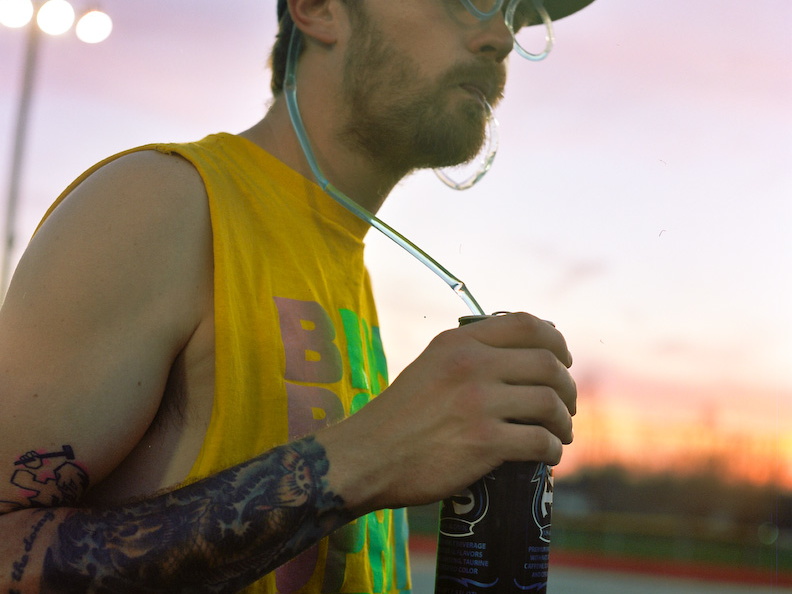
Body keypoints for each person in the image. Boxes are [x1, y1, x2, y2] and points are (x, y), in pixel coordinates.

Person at [0, 0, 593, 591]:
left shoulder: (342, 259)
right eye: (466, 1)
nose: (500, 38)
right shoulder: (161, 205)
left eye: (515, 13)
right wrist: (369, 456)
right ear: (318, 8)